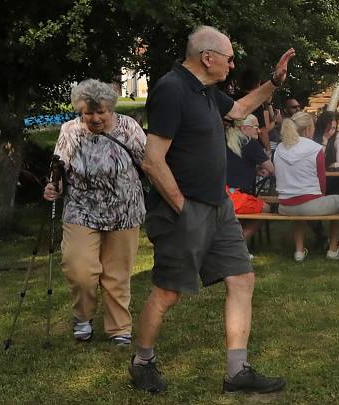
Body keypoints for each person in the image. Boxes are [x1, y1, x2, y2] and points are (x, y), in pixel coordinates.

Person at [129, 25, 294, 394]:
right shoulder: (172, 90)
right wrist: (182, 207)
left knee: (241, 278)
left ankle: (237, 372)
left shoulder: (206, 90)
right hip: (183, 209)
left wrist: (274, 83)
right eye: (228, 58)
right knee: (168, 291)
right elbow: (153, 161)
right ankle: (142, 361)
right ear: (207, 57)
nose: (232, 65)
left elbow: (238, 110)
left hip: (218, 205)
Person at [43, 79, 145, 346]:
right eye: (88, 112)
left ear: (111, 108)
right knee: (79, 268)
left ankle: (119, 328)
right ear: (80, 110)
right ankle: (83, 317)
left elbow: (149, 161)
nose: (95, 118)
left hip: (124, 208)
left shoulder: (128, 128)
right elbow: (60, 166)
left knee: (117, 274)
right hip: (81, 208)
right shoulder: (70, 131)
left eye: (101, 112)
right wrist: (53, 185)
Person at [273, 111, 339, 261]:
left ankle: (299, 251)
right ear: (308, 129)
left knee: (298, 212)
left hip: (285, 206)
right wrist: (321, 199)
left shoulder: (280, 148)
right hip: (310, 203)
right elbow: (322, 181)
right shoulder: (314, 148)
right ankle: (333, 249)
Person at [225, 114, 273, 242]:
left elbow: (235, 165)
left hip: (219, 195)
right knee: (266, 209)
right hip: (235, 197)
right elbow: (272, 169)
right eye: (256, 127)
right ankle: (237, 245)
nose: (259, 130)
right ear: (245, 128)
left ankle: (232, 242)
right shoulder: (250, 143)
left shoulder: (225, 141)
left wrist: (255, 170)